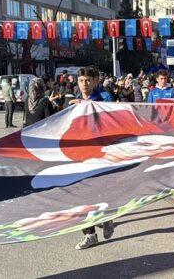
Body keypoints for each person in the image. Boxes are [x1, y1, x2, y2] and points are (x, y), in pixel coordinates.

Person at [67, 66, 116, 249]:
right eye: (81, 81)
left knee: (100, 192)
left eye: (88, 80)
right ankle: (90, 234)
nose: (84, 84)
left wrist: (86, 106)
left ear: (95, 81)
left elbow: (112, 122)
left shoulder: (105, 98)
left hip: (102, 154)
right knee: (79, 195)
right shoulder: (71, 101)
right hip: (79, 154)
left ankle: (108, 216)